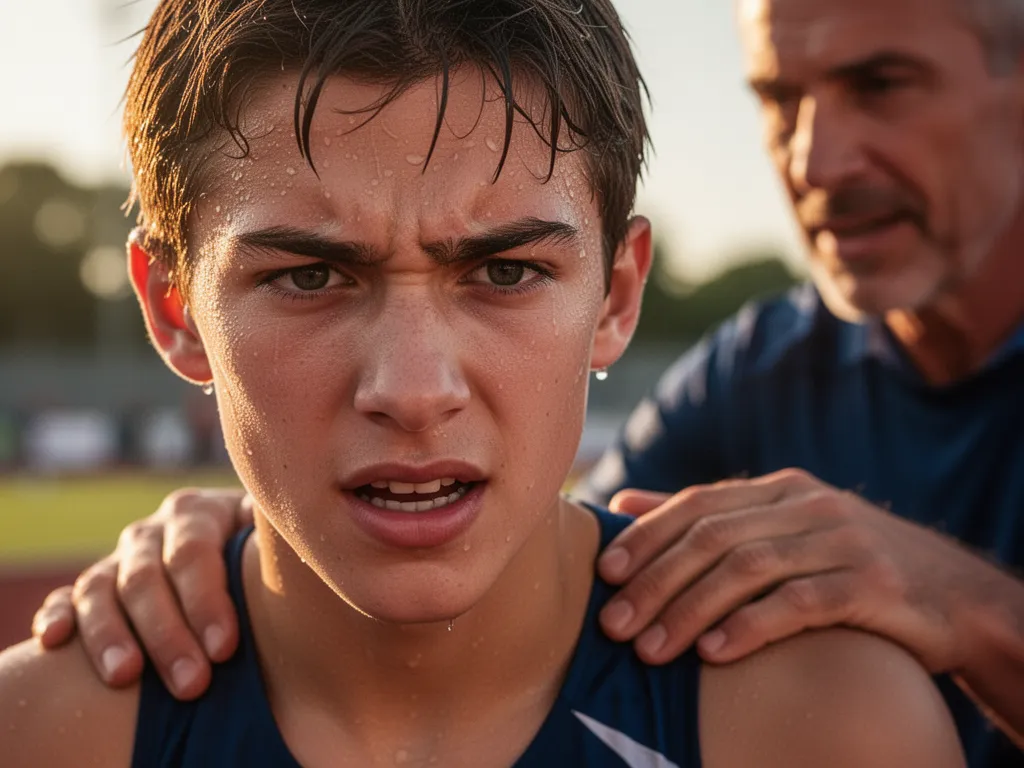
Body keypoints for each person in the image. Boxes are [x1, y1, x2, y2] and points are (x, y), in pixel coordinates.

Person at [27, 0, 1024, 765]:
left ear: (615, 295)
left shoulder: (834, 720)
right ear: (173, 309)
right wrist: (252, 520)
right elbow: (532, 556)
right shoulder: (761, 373)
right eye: (309, 276)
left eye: (504, 271)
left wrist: (967, 605)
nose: (415, 392)